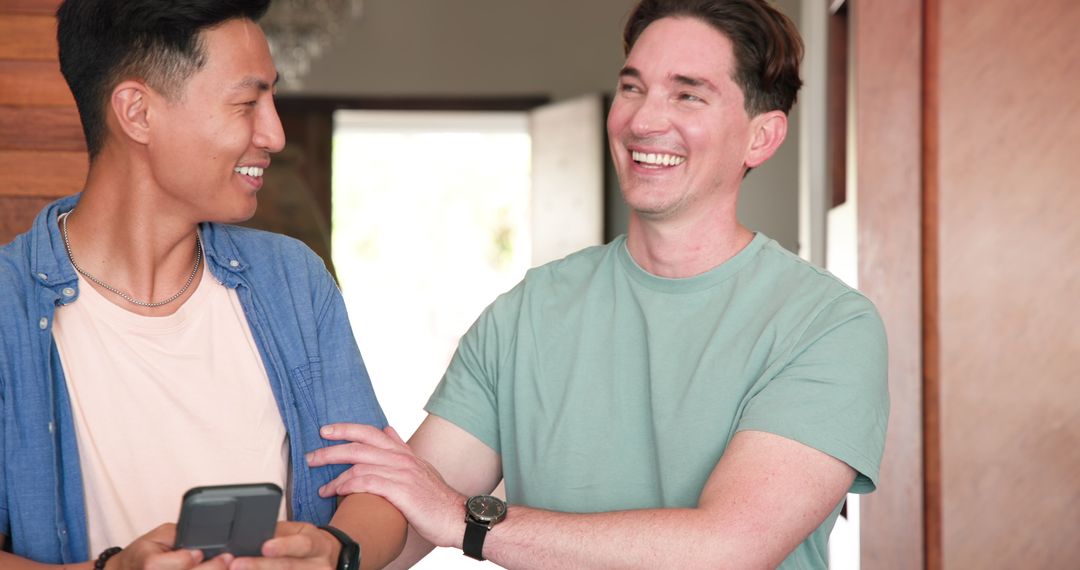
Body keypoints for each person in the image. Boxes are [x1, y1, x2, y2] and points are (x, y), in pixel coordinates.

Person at [307, 0, 889, 568]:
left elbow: (727, 548)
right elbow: (410, 517)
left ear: (761, 137)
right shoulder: (527, 313)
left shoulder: (827, 325)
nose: (643, 119)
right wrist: (327, 554)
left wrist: (468, 521)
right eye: (633, 87)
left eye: (687, 94)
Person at [0, 0, 406, 568]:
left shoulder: (293, 281)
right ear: (137, 112)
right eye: (247, 102)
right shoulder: (8, 308)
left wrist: (333, 550)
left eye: (272, 99)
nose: (276, 134)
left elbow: (379, 485)